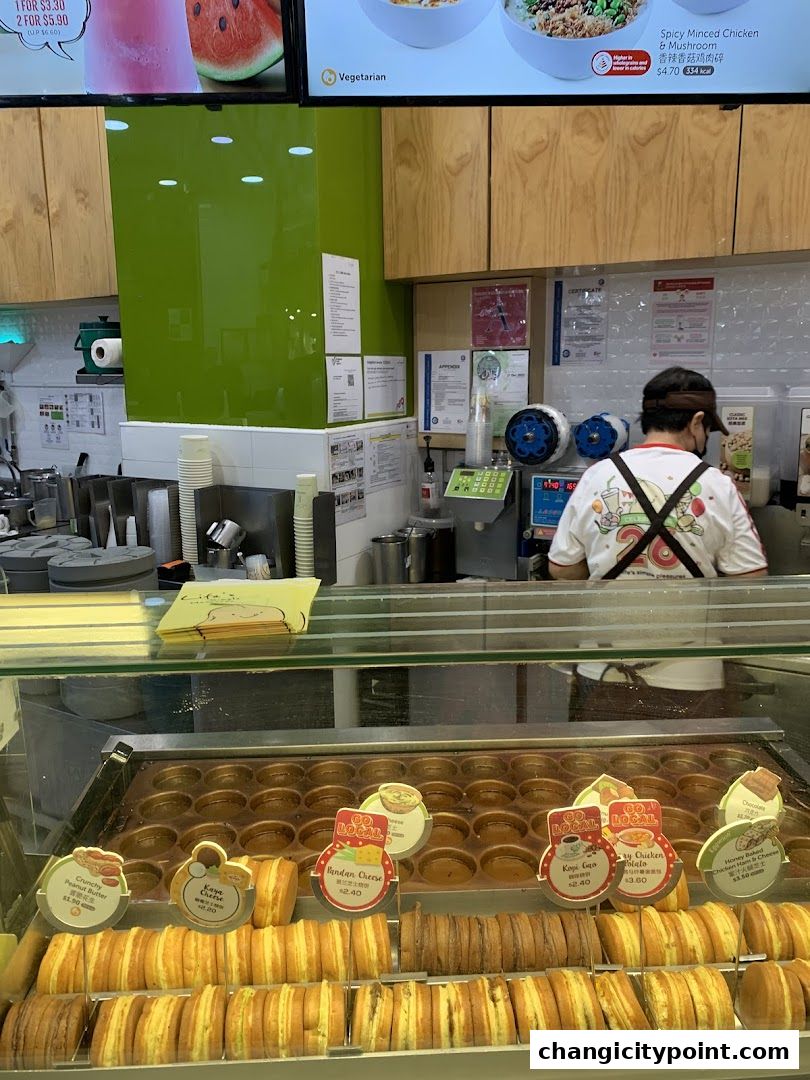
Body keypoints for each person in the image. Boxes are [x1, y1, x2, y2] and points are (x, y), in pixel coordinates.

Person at [547, 366, 768, 721]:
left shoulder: (597, 476)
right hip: (692, 675)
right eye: (708, 429)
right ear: (697, 422)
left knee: (600, 758)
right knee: (683, 760)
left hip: (602, 669)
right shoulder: (718, 485)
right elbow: (750, 581)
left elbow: (561, 569)